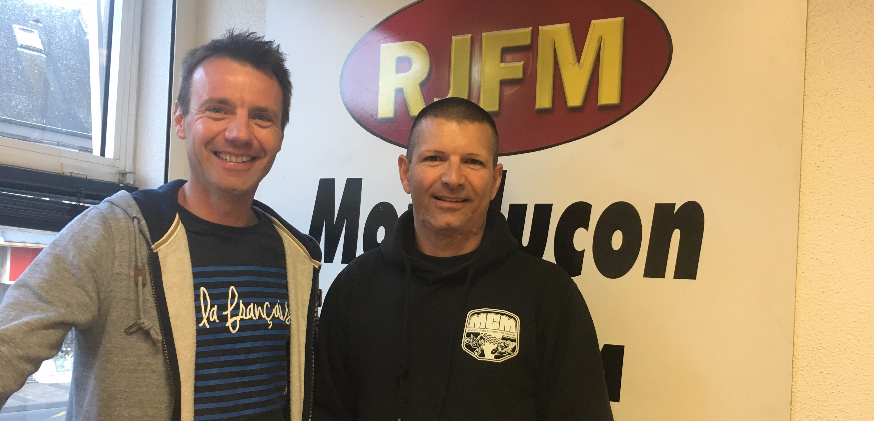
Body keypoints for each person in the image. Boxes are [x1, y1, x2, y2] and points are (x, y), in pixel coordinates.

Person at [0, 31, 322, 420]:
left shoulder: (296, 258)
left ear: (280, 135)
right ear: (180, 119)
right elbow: (8, 346)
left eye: (262, 117)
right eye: (217, 110)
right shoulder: (113, 234)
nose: (239, 133)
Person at [313, 97, 613, 420]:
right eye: (434, 158)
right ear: (405, 172)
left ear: (495, 180)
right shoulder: (354, 289)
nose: (453, 178)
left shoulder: (550, 296)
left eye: (472, 162)